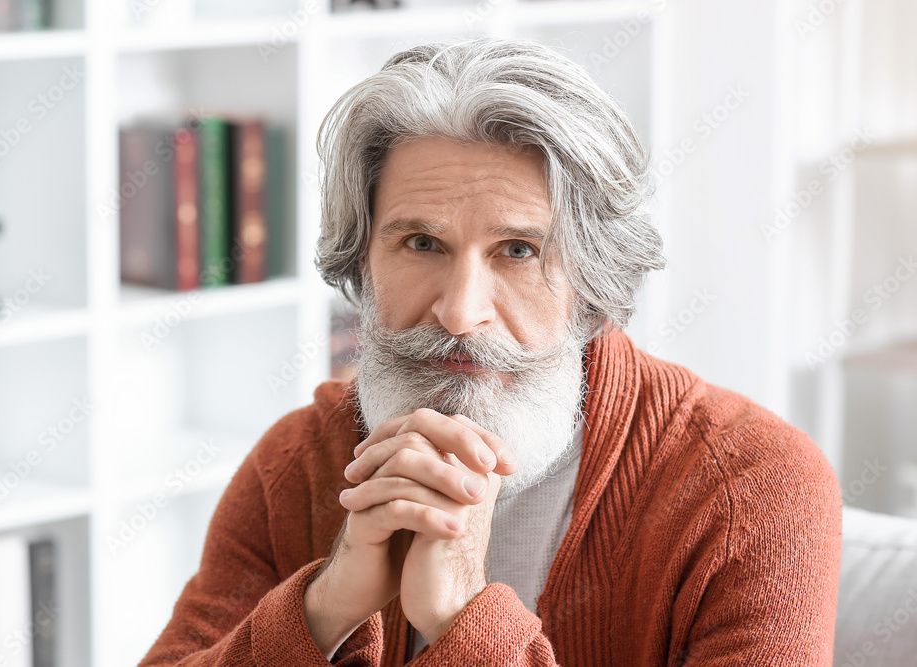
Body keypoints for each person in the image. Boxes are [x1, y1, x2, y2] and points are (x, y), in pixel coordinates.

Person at [139, 38, 842, 666]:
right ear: (363, 264)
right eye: (421, 243)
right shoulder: (296, 466)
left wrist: (464, 624)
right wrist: (321, 612)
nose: (459, 311)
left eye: (517, 250)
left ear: (593, 281)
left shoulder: (752, 487)